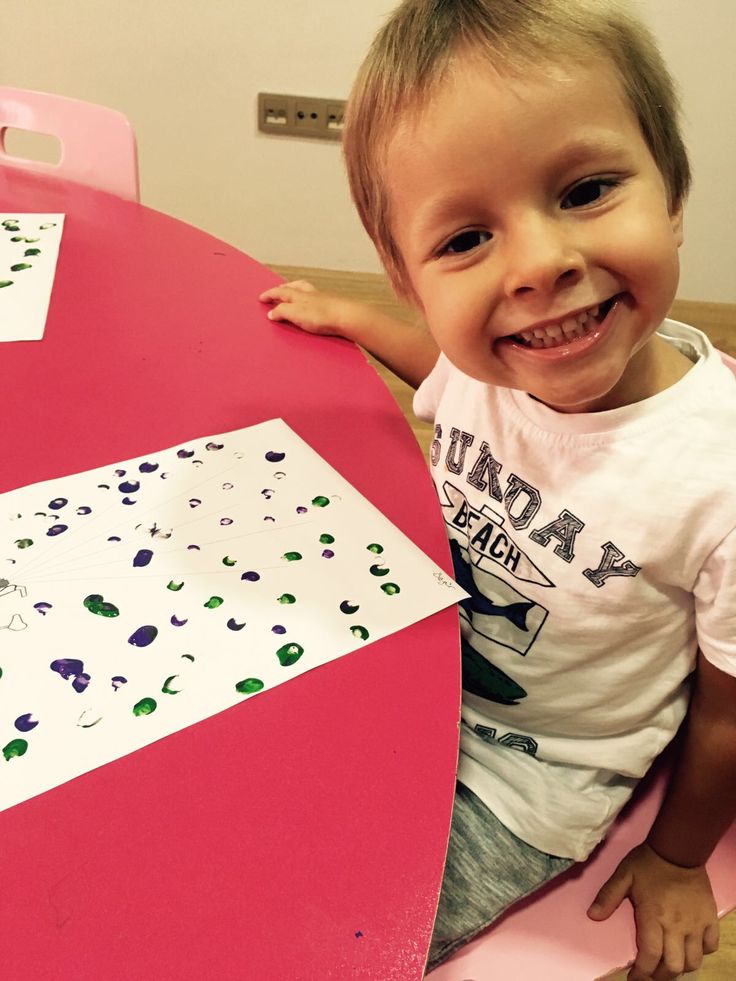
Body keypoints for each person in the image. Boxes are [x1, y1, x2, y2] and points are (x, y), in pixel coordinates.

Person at [259, 1, 736, 977]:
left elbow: (728, 714)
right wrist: (349, 318)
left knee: (342, 942)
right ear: (408, 274)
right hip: (406, 670)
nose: (539, 265)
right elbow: (436, 368)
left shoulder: (713, 475)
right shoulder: (484, 368)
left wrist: (676, 859)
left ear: (674, 192)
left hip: (530, 779)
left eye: (587, 188)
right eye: (465, 241)